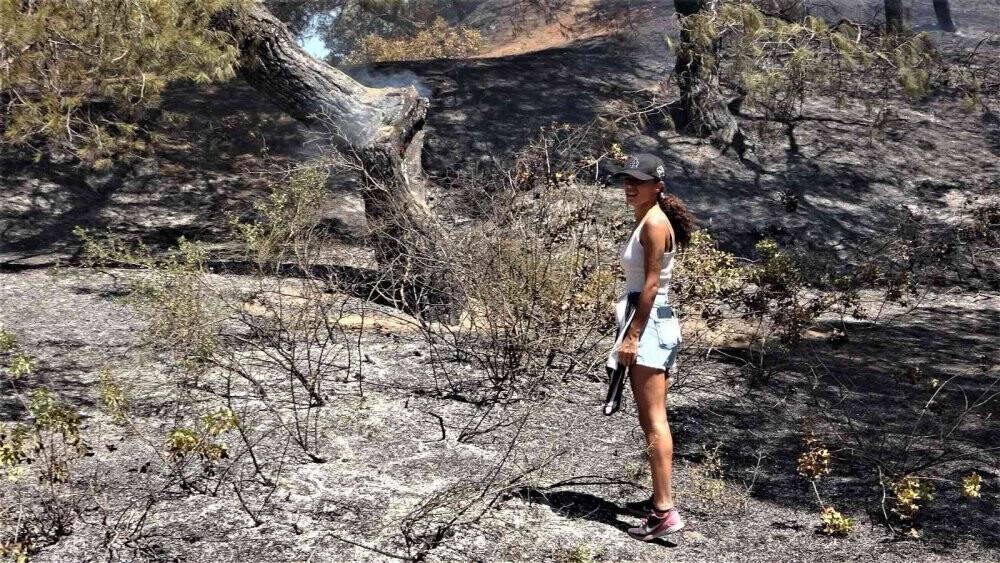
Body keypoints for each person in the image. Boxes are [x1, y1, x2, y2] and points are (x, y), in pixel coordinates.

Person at [604, 153, 695, 542]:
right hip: (650, 321)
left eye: (638, 181)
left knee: (654, 419)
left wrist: (633, 336)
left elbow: (652, 286)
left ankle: (664, 512)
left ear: (657, 186)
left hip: (650, 324)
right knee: (651, 418)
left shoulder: (655, 223)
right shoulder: (649, 219)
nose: (630, 186)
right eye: (627, 180)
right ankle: (659, 499)